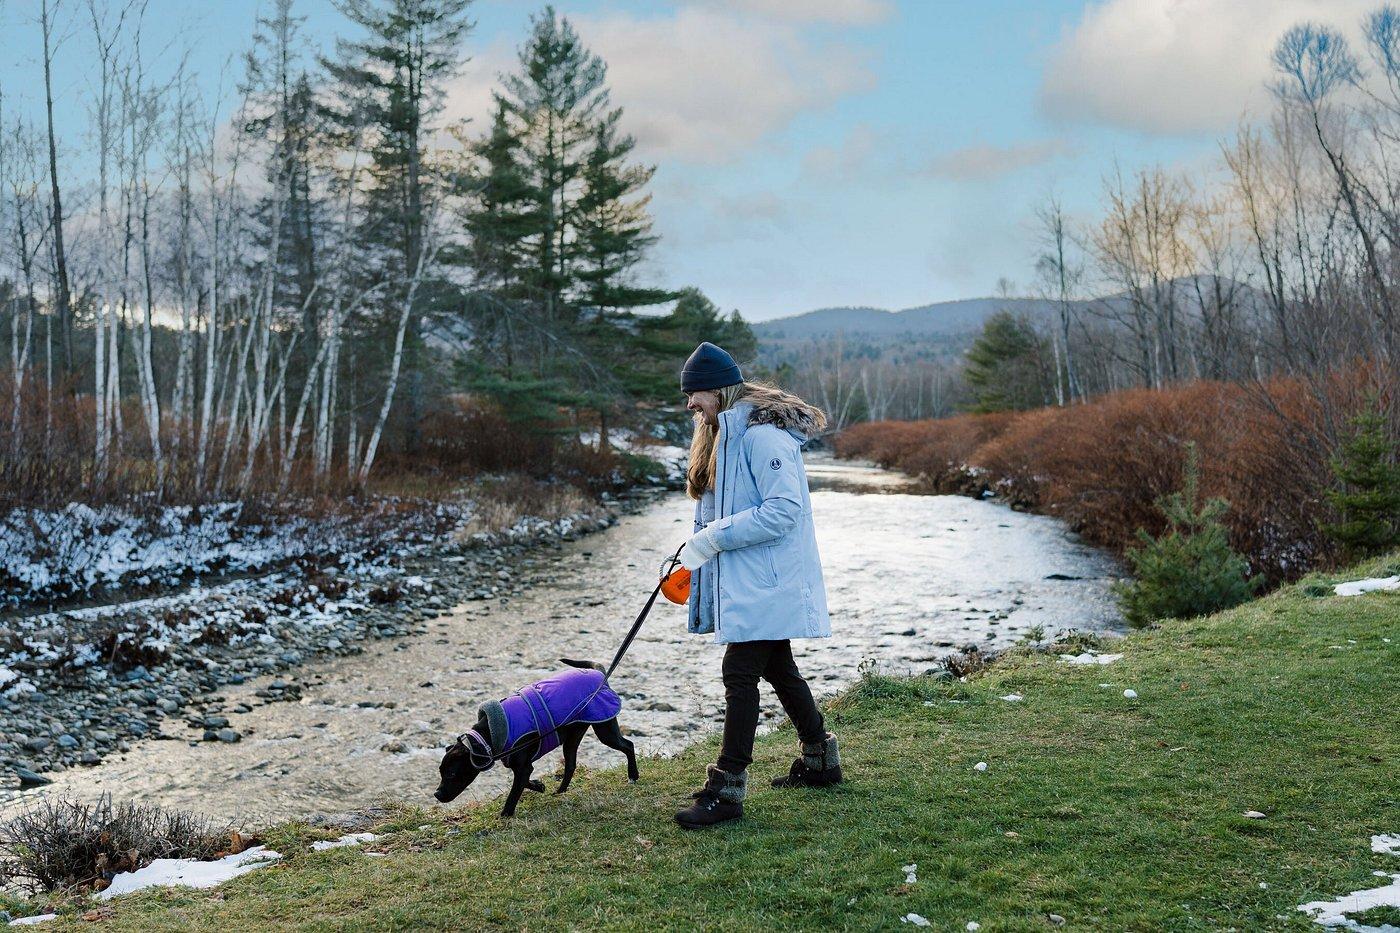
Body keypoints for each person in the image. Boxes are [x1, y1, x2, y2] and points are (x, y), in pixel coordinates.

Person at [671, 341, 842, 830]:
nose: (689, 405)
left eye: (694, 394)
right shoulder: (726, 433)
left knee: (739, 673)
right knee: (780, 668)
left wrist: (714, 539)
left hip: (769, 581)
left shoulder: (762, 437)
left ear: (718, 389)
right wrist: (691, 550)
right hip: (754, 580)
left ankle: (726, 789)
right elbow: (719, 512)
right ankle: (820, 761)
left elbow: (783, 512)